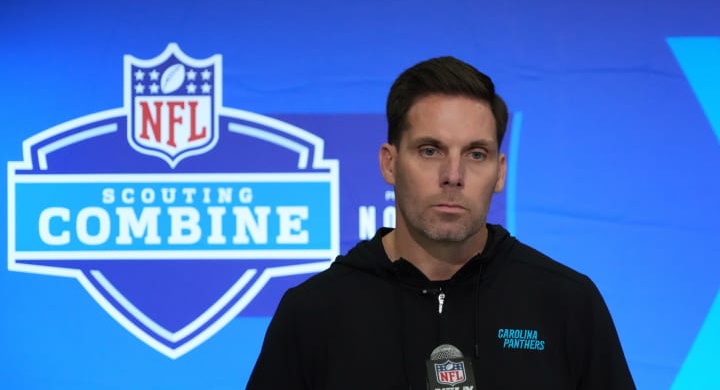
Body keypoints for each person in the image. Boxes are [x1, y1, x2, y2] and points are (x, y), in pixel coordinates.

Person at [246, 56, 635, 389]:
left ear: (500, 173)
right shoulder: (314, 311)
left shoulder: (566, 303)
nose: (453, 174)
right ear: (390, 162)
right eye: (430, 150)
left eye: (476, 154)